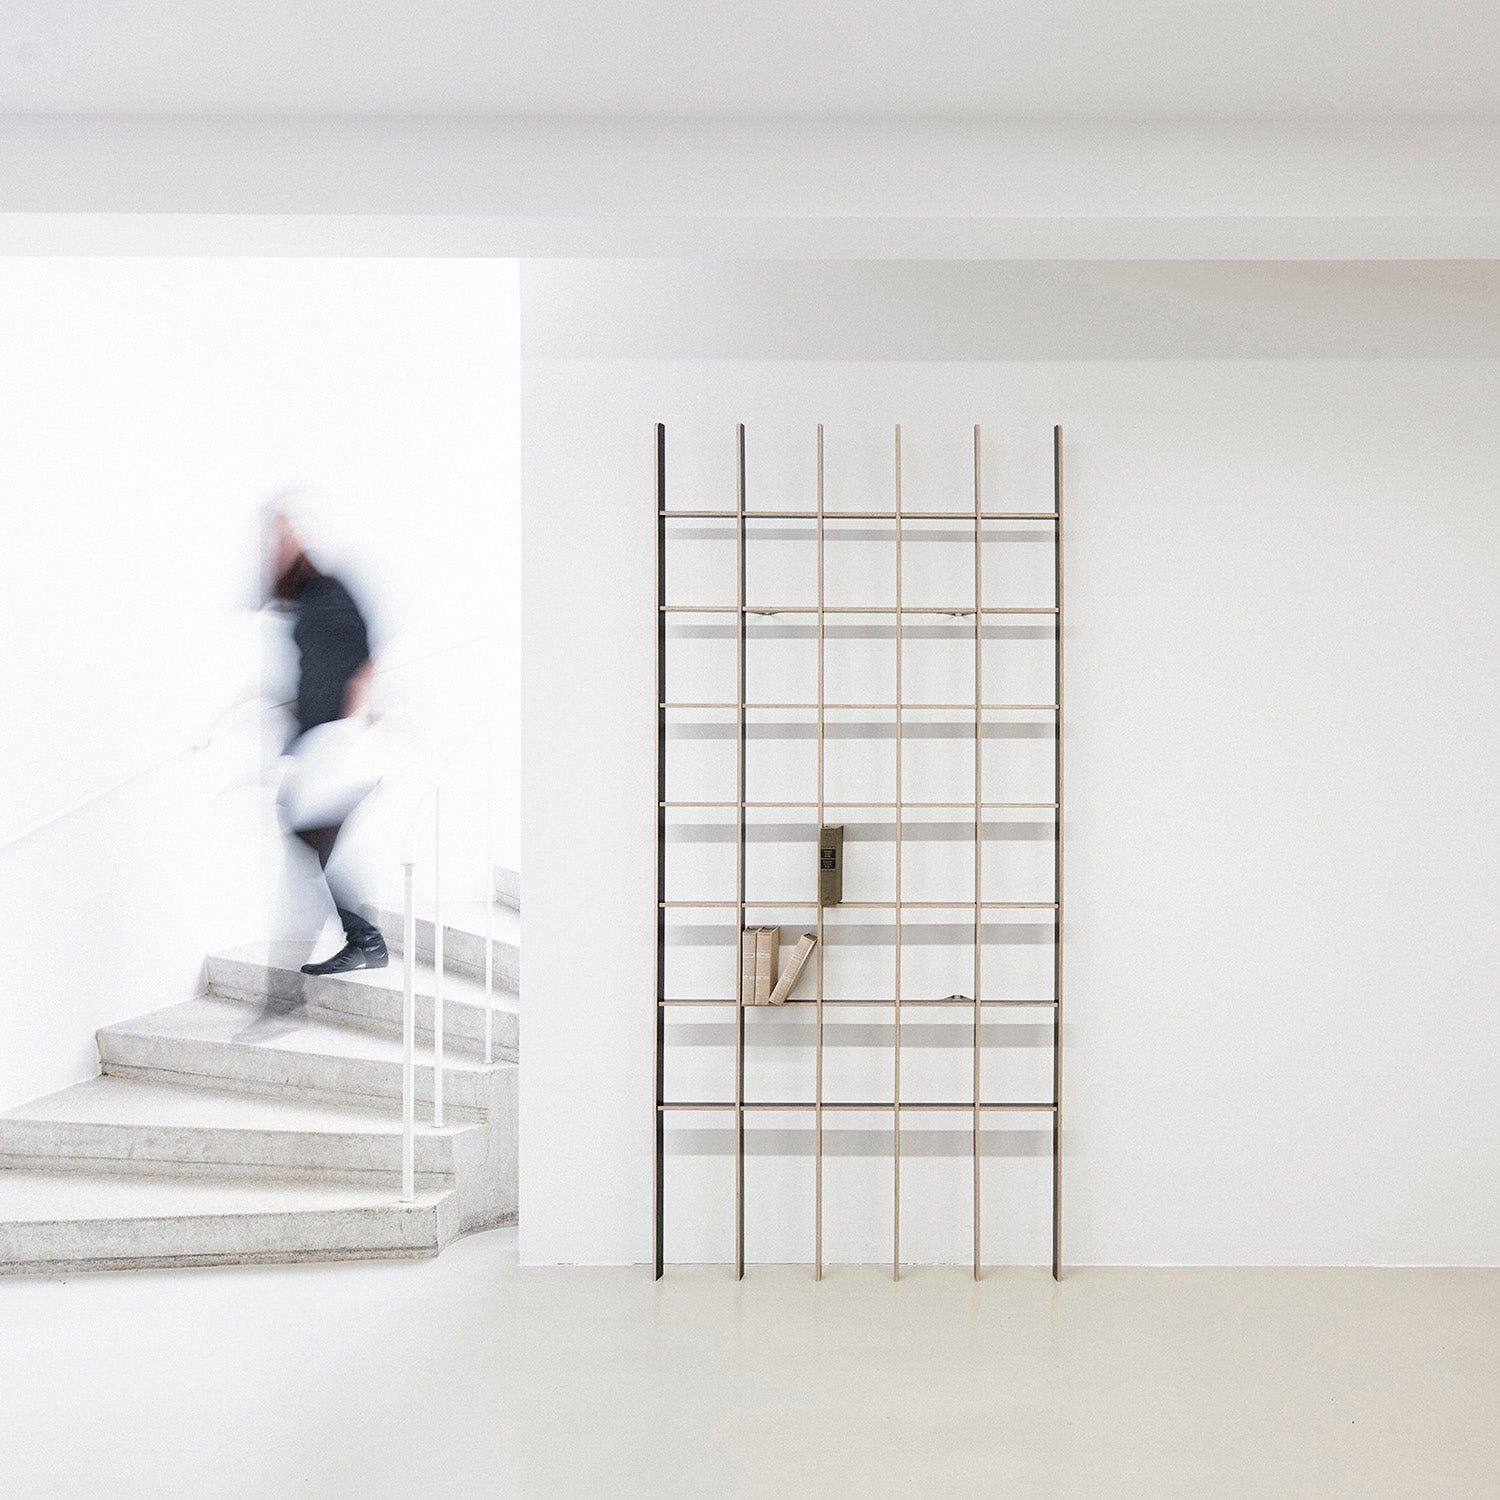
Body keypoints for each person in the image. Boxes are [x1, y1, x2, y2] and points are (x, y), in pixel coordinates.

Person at [270, 511, 389, 976]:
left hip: (334, 736)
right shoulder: (300, 604)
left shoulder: (331, 590)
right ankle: (362, 941)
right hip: (316, 737)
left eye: (284, 539)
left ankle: (364, 941)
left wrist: (354, 714)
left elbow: (365, 650)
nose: (277, 548)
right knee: (309, 833)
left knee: (311, 831)